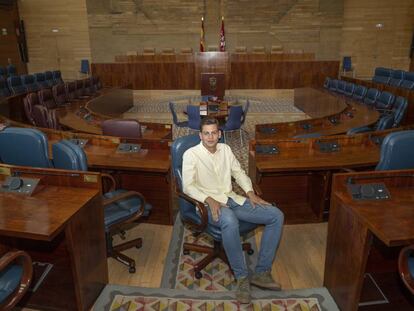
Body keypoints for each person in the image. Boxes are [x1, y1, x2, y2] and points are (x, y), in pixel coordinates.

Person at [182, 116, 284, 304]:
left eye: (214, 133)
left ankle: (262, 273)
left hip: (231, 199)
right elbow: (187, 186)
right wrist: (208, 199)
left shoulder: (226, 149)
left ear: (219, 134)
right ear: (200, 135)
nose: (210, 137)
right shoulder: (191, 154)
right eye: (206, 133)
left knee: (276, 215)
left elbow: (238, 173)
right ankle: (242, 277)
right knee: (229, 220)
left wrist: (250, 192)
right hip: (206, 204)